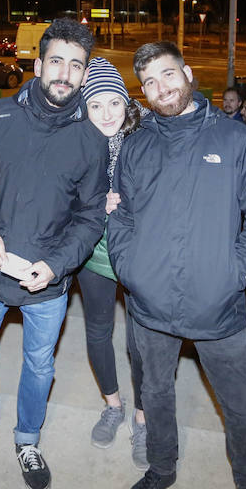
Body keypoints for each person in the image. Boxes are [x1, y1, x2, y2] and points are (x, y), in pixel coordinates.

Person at [108, 42, 246, 489]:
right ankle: (161, 470)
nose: (160, 88)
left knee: (238, 401)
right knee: (155, 392)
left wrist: (236, 272)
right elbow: (123, 214)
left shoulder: (234, 138)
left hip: (216, 301)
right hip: (149, 301)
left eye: (167, 75)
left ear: (187, 73)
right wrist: (130, 268)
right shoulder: (137, 144)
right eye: (149, 82)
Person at [0, 18, 108, 489]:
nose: (65, 73)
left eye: (76, 66)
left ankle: (28, 438)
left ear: (84, 72)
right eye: (56, 61)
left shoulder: (91, 140)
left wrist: (57, 265)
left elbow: (91, 216)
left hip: (48, 282)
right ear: (37, 64)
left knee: (40, 364)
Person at [76, 57, 149, 467]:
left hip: (137, 253)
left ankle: (142, 418)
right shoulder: (76, 144)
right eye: (96, 104)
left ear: (126, 104)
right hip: (93, 254)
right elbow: (58, 197)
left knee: (140, 342)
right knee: (98, 332)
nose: (106, 114)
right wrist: (91, 203)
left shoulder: (144, 140)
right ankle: (113, 405)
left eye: (114, 103)